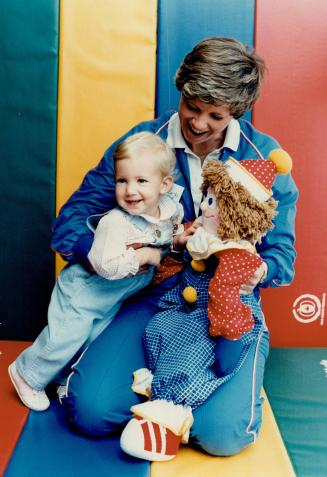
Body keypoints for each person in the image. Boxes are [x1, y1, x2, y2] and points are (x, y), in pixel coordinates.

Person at [30, 37, 298, 457]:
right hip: (152, 295)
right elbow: (70, 223)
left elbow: (282, 257)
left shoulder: (262, 158)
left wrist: (251, 269)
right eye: (192, 105)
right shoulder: (143, 142)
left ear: (237, 113)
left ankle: (211, 388)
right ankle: (152, 391)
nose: (199, 123)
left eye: (216, 115)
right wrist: (118, 259)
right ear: (181, 88)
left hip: (226, 309)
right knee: (90, 412)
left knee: (221, 436)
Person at [119, 150, 293, 461]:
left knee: (219, 429)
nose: (203, 207)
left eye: (212, 203)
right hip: (179, 309)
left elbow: (229, 298)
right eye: (206, 199)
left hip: (223, 321)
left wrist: (230, 334)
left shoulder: (234, 257)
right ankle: (166, 399)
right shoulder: (203, 233)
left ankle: (172, 412)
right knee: (99, 405)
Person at [8, 131, 187, 411]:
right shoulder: (115, 223)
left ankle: (57, 375)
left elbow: (169, 233)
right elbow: (105, 265)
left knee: (93, 338)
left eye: (141, 181)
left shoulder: (169, 210)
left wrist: (177, 240)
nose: (130, 190)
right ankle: (27, 373)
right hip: (85, 289)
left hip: (114, 296)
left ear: (164, 185)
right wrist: (146, 255)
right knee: (66, 335)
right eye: (122, 181)